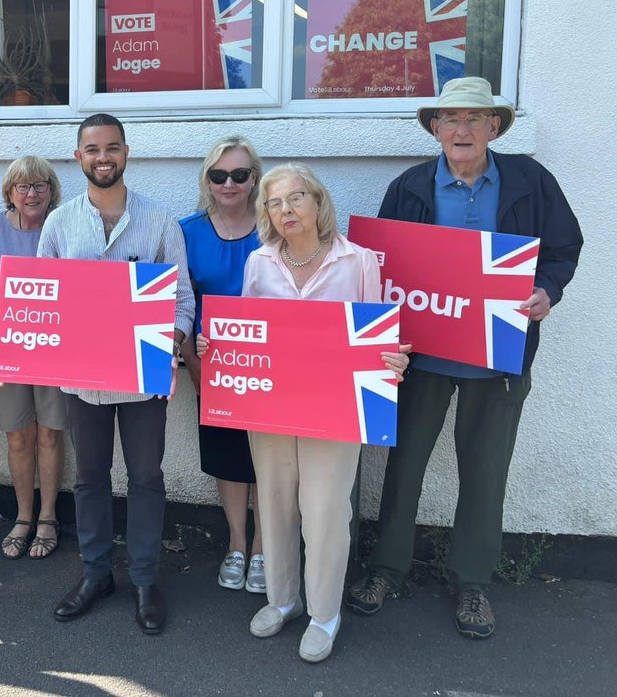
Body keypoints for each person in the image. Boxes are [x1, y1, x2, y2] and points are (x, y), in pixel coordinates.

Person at [348, 77, 582, 639]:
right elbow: (381, 264)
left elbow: (563, 247)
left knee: (485, 470)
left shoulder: (531, 182)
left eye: (474, 119)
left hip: (499, 359)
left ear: (494, 127)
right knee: (403, 465)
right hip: (422, 356)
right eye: (450, 119)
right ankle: (386, 570)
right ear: (435, 128)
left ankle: (472, 582)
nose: (462, 129)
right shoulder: (408, 187)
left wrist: (547, 290)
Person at [197, 163, 410, 662]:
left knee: (325, 511)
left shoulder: (357, 261)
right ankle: (283, 599)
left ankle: (324, 614)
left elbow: (374, 333)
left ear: (317, 201)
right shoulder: (259, 262)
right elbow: (247, 330)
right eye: (273, 202)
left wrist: (392, 359)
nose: (284, 210)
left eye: (294, 198)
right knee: (273, 502)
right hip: (270, 408)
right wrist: (217, 346)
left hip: (334, 411)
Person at [38, 113, 195, 636]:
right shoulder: (59, 224)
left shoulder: (160, 221)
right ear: (78, 156)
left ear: (126, 152)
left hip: (142, 379)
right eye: (91, 149)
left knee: (146, 479)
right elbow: (43, 297)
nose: (102, 157)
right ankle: (96, 574)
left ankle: (146, 579)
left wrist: (171, 340)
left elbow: (181, 299)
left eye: (111, 147)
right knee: (89, 479)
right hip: (82, 382)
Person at [178, 136, 266, 593]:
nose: (229, 183)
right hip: (213, 365)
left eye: (239, 174)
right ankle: (236, 542)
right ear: (207, 179)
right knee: (228, 457)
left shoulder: (275, 226)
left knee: (271, 460)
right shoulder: (187, 231)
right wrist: (190, 360)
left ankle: (264, 550)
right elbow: (181, 302)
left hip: (271, 364)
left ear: (255, 178)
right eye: (219, 175)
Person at [0, 156, 66, 560]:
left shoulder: (64, 225)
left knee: (50, 433)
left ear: (52, 191)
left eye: (40, 186)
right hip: (7, 350)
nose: (31, 194)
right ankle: (23, 516)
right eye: (22, 187)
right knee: (18, 435)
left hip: (55, 348)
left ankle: (48, 517)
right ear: (9, 193)